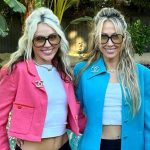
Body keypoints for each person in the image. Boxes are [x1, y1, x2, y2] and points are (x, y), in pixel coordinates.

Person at [0, 7, 86, 150]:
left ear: (59, 38)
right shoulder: (17, 71)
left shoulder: (64, 72)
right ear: (30, 42)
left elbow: (76, 111)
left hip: (64, 146)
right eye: (40, 39)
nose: (47, 45)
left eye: (52, 37)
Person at [74, 7, 150, 150]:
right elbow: (71, 109)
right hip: (93, 146)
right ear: (97, 39)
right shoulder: (82, 71)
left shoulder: (142, 74)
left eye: (115, 36)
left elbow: (149, 123)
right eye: (104, 37)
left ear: (124, 39)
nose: (110, 43)